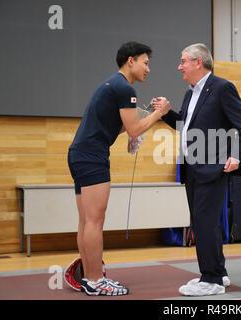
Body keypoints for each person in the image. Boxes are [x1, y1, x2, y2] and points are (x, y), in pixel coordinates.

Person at [66, 41, 170, 296]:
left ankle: (90, 277)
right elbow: (134, 129)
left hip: (81, 154)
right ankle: (94, 279)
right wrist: (160, 113)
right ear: (130, 60)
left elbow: (123, 126)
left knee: (86, 221)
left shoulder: (115, 85)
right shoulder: (124, 88)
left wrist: (143, 117)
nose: (148, 69)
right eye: (145, 62)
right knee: (94, 221)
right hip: (91, 156)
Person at [153, 43, 241, 296]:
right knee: (203, 222)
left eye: (183, 60)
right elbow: (184, 125)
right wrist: (165, 113)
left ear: (198, 62)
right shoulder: (190, 93)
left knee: (205, 222)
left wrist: (238, 156)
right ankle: (219, 272)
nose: (179, 66)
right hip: (192, 167)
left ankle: (212, 280)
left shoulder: (222, 87)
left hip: (214, 167)